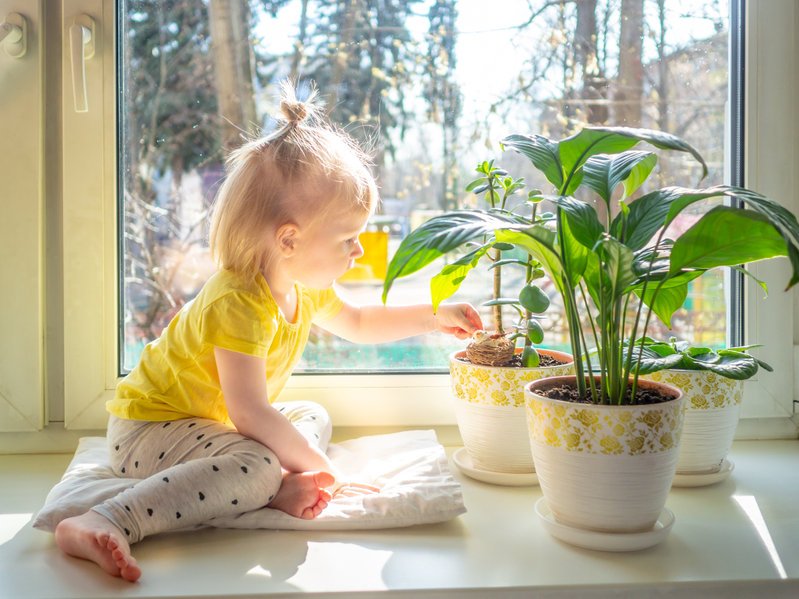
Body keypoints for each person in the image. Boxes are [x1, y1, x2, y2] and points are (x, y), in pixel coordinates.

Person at [53, 82, 484, 583]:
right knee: (259, 462)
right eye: (348, 238)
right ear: (289, 239)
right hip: (146, 432)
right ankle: (104, 519)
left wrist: (436, 315)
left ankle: (271, 485)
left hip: (201, 425)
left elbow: (361, 322)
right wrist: (330, 470)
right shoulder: (239, 301)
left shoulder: (301, 283)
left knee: (309, 412)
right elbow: (250, 412)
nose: (359, 252)